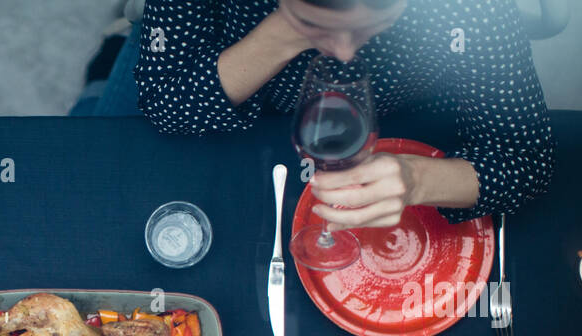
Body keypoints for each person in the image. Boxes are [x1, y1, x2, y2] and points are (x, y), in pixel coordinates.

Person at [134, 0, 555, 229]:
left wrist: (417, 179)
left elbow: (527, 159)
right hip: (224, 98)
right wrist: (283, 35)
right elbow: (165, 101)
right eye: (317, 25)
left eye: (374, 25)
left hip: (410, 116)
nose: (345, 53)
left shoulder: (473, 7)